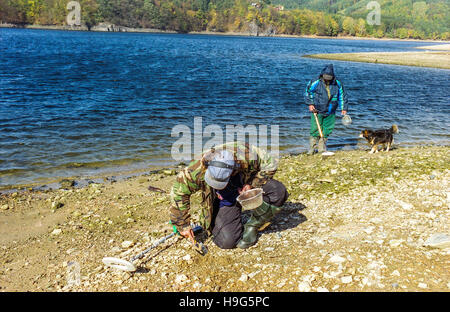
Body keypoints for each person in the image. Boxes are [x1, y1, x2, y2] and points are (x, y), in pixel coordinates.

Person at [169, 142, 289, 249]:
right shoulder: (196, 169)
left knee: (278, 191)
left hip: (243, 183)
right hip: (223, 199)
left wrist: (251, 184)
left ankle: (253, 225)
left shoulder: (246, 154)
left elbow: (271, 164)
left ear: (233, 169)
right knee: (227, 241)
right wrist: (183, 225)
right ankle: (220, 214)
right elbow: (179, 193)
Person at [304, 64, 349, 154]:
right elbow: (308, 92)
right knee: (315, 129)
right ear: (322, 75)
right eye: (326, 77)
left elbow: (342, 96)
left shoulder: (338, 83)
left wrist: (344, 108)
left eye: (329, 77)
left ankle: (321, 148)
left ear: (332, 76)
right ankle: (312, 149)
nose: (327, 79)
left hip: (331, 110)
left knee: (327, 129)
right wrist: (310, 104)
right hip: (317, 109)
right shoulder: (315, 82)